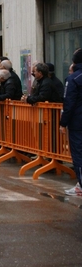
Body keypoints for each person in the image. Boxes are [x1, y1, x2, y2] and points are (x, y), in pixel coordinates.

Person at [60, 48, 82, 196]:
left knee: (79, 154)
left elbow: (69, 103)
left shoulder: (74, 79)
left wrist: (63, 123)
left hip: (78, 123)